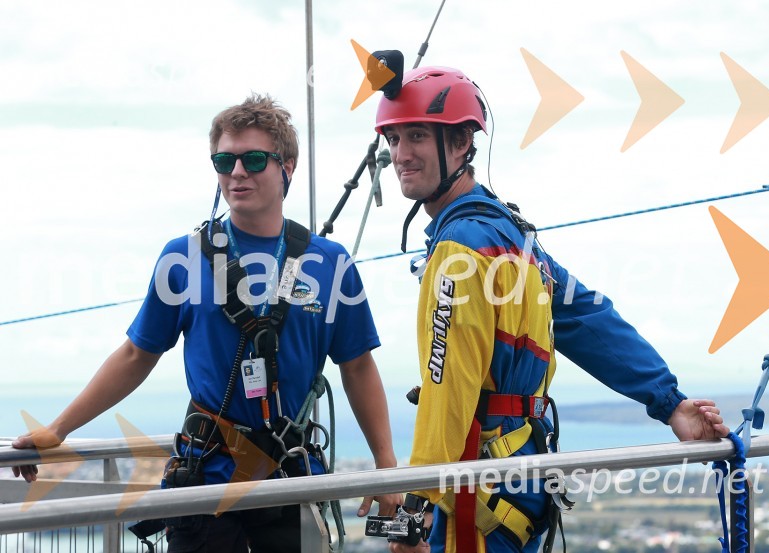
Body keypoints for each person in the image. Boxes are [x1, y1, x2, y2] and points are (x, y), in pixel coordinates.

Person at [12, 93, 399, 552]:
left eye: (254, 159)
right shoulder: (183, 257)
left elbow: (358, 366)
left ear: (287, 167)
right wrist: (59, 429)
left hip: (290, 478)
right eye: (224, 160)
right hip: (208, 479)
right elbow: (137, 354)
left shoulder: (329, 263)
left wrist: (386, 466)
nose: (237, 172)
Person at [374, 66, 729, 553]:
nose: (400, 155)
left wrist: (416, 508)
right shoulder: (512, 237)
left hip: (477, 489)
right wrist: (670, 403)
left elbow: (447, 389)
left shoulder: (459, 249)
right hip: (522, 478)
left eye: (416, 136)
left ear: (460, 143)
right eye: (394, 139)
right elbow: (589, 320)